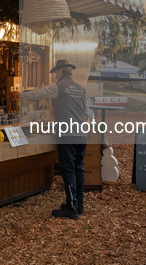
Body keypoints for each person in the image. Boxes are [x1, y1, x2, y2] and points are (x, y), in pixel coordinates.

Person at [19, 59, 91, 220]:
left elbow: (38, 94)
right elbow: (87, 113)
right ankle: (79, 206)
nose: (54, 76)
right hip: (81, 134)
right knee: (79, 169)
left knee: (68, 170)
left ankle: (71, 208)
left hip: (67, 134)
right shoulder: (81, 89)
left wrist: (20, 95)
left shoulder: (57, 86)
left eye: (55, 73)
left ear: (60, 72)